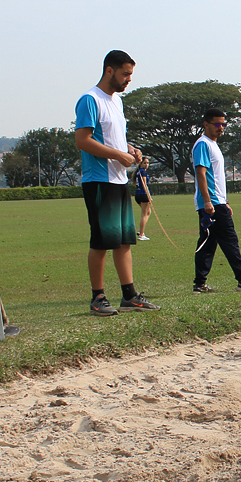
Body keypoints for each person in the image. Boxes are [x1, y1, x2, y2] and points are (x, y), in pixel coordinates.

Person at [75, 50, 159, 316]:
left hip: (119, 179)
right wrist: (117, 155)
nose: (129, 80)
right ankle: (97, 297)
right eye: (125, 74)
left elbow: (115, 138)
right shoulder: (90, 100)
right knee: (101, 241)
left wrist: (131, 150)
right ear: (109, 71)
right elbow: (83, 140)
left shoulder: (117, 103)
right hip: (99, 180)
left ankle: (129, 295)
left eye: (131, 74)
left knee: (124, 241)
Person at [193, 108, 241, 293]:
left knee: (208, 243)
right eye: (217, 124)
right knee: (229, 240)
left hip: (217, 202)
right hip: (212, 204)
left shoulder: (213, 144)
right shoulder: (203, 144)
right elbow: (201, 174)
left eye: (223, 124)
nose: (221, 128)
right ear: (206, 124)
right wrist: (209, 202)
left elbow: (214, 178)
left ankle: (200, 284)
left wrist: (224, 201)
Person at [134, 156, 154, 241]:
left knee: (148, 212)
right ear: (141, 164)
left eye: (147, 163)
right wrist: (149, 195)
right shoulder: (143, 172)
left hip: (138, 195)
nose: (146, 165)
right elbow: (145, 184)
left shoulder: (138, 172)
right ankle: (141, 234)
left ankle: (140, 231)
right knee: (144, 214)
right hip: (143, 194)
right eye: (144, 163)